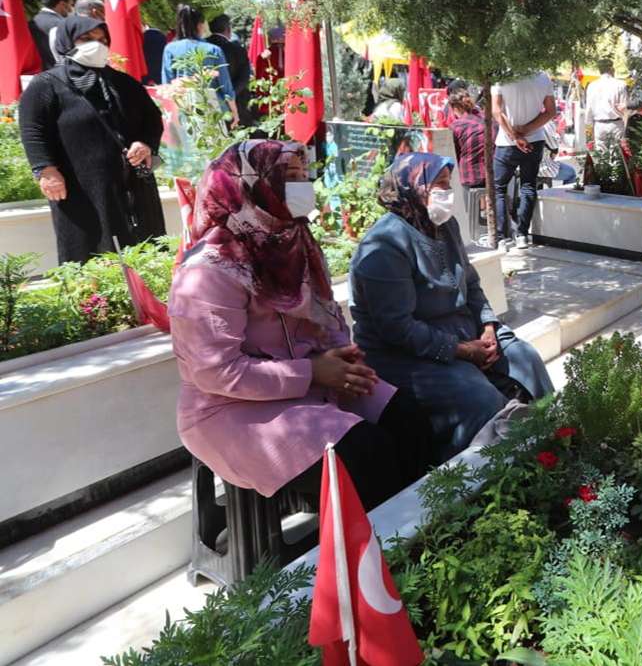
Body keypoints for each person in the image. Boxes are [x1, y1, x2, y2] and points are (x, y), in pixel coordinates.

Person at [169, 140, 432, 509]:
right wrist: (313, 373)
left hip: (310, 383)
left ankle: (426, 538)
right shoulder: (210, 270)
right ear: (252, 183)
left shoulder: (295, 242)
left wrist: (343, 356)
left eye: (305, 176)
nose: (304, 187)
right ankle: (375, 557)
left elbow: (328, 319)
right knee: (364, 456)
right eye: (290, 177)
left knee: (410, 419)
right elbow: (217, 373)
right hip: (230, 408)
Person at [349, 153, 553, 460]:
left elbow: (470, 283)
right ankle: (478, 478)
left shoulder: (444, 226)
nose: (447, 192)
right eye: (439, 185)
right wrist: (462, 350)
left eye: (448, 183)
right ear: (411, 188)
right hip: (403, 354)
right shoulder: (383, 248)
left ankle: (550, 441)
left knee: (525, 358)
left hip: (464, 331)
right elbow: (397, 329)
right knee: (477, 396)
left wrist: (488, 326)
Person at [18, 16, 167, 263]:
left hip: (131, 183)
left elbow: (151, 119)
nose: (96, 45)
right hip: (80, 186)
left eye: (102, 40)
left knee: (144, 247)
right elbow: (33, 129)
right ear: (67, 41)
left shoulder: (123, 82)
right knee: (89, 248)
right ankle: (96, 301)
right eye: (86, 39)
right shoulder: (46, 85)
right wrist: (45, 170)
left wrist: (145, 143)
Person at [491, 70, 557, 249]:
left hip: (507, 142)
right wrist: (527, 130)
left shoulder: (500, 75)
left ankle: (501, 237)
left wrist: (515, 136)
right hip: (534, 139)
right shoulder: (543, 77)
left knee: (499, 188)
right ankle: (522, 234)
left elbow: (496, 111)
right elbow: (551, 111)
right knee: (528, 185)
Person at [162, 5, 239, 125]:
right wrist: (234, 111)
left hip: (183, 107)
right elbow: (225, 85)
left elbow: (167, 84)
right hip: (212, 106)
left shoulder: (170, 49)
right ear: (200, 25)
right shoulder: (213, 50)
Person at [207, 14, 255, 126]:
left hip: (208, 100)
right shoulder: (238, 50)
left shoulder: (202, 46)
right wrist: (229, 96)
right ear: (228, 29)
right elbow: (244, 79)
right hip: (236, 102)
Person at [446, 86, 487, 189]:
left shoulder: (457, 126)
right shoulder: (488, 118)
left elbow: (454, 155)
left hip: (470, 177)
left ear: (454, 107)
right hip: (496, 175)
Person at [584, 59, 630, 147]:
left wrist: (589, 125)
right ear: (611, 69)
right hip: (616, 125)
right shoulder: (620, 84)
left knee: (601, 157)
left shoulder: (591, 86)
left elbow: (589, 108)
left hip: (599, 125)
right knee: (616, 156)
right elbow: (624, 108)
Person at [30, 0, 72, 71]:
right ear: (62, 4)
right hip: (60, 74)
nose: (71, 10)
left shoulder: (31, 23)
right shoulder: (63, 24)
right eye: (70, 5)